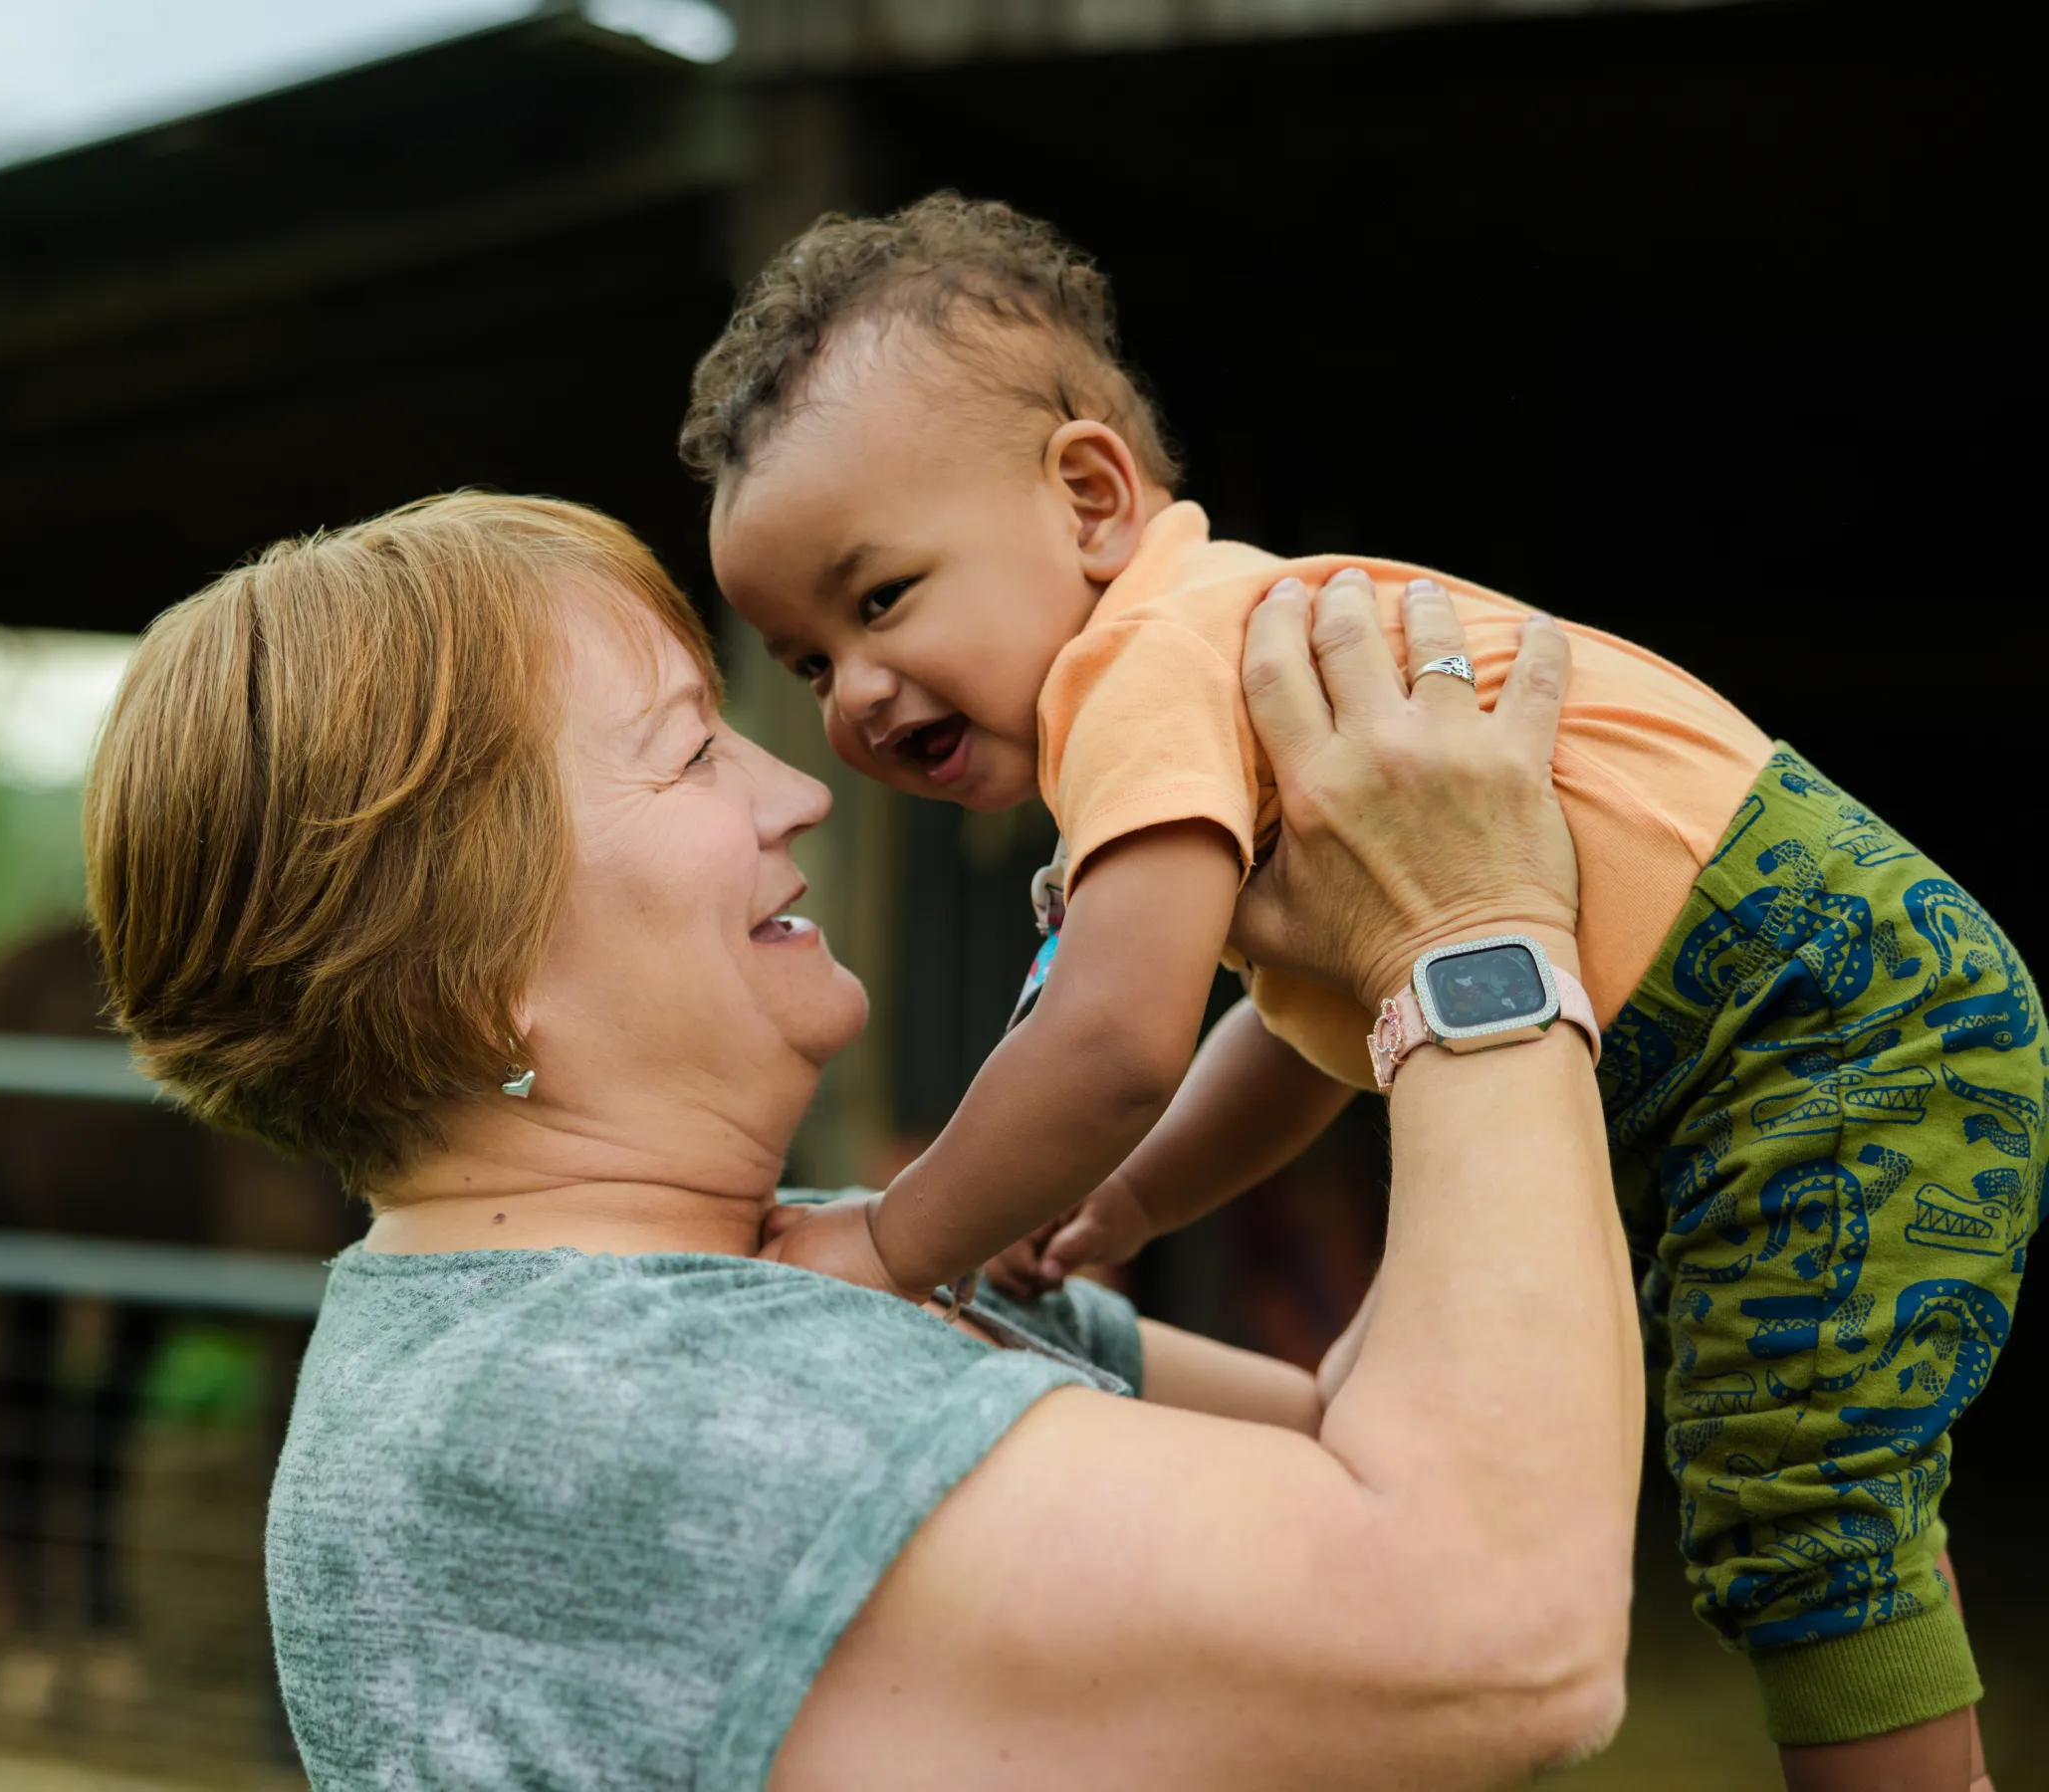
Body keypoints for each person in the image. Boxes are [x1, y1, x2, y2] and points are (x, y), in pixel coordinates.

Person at [690, 193, 2022, 1775]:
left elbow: (1112, 1038)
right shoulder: (1223, 662)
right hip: (1807, 1009)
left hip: (1824, 1014)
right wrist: (1127, 1208)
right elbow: (1306, 1028)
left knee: (1792, 1497)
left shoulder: (1148, 662)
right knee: (1791, 1449)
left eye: (882, 597)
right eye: (809, 661)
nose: (857, 692)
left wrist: (900, 1239)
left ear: (1092, 500)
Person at [84, 491, 1641, 1788]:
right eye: (694, 751)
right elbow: (1500, 1628)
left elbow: (1380, 1447)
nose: (795, 791)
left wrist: (1380, 966)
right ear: (477, 973)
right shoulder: (595, 1402)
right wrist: (1474, 938)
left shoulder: (786, 1278)